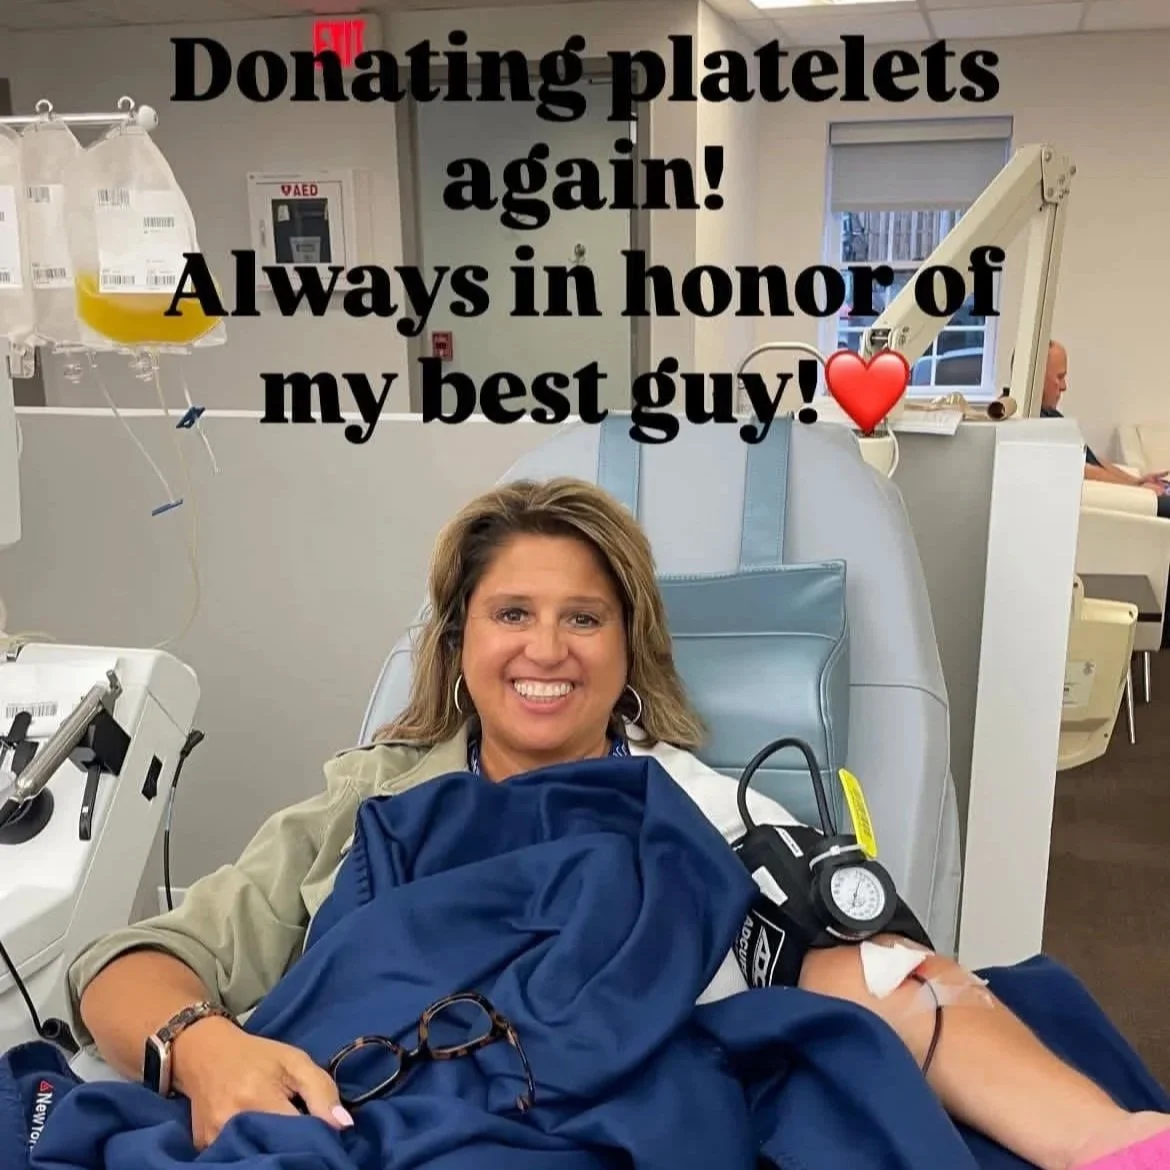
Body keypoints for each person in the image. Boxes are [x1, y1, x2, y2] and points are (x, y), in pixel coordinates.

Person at [67, 478, 1169, 1169]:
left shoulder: (708, 810)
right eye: (512, 614)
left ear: (626, 645)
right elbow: (134, 963)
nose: (546, 648)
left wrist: (1105, 1146)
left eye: (582, 618)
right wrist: (202, 1052)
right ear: (458, 644)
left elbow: (886, 984)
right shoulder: (365, 805)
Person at [1038, 340, 1170, 519]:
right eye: (1059, 377)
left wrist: (1139, 481)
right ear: (1037, 376)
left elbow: (1093, 461)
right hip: (1133, 503)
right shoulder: (1037, 424)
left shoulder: (1049, 415)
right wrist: (1139, 491)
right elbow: (1082, 469)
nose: (1064, 387)